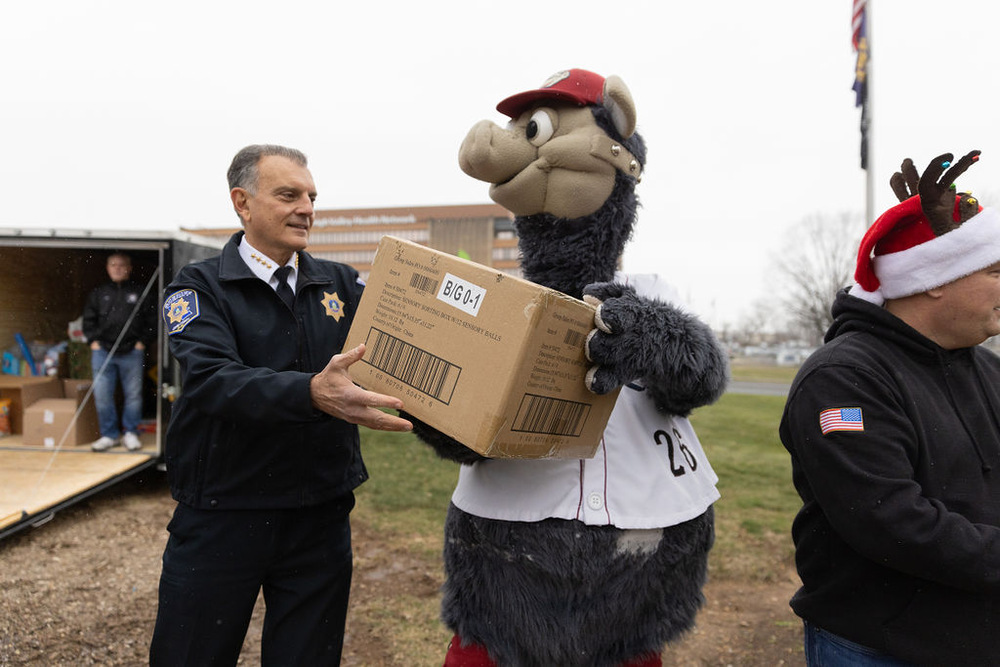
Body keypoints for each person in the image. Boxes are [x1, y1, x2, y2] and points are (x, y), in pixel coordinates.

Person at [149, 144, 412, 666]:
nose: (307, 208)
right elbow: (211, 379)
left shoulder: (342, 285)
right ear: (242, 202)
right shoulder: (198, 288)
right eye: (288, 194)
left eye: (312, 196)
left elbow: (407, 350)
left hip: (319, 518)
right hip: (223, 515)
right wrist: (311, 391)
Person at [779, 150, 1000, 666]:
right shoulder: (843, 379)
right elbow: (890, 522)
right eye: (994, 271)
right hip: (881, 645)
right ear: (936, 279)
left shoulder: (986, 370)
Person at [82, 251, 156, 452]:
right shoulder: (98, 293)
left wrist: (142, 342)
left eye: (121, 265)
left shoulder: (140, 292)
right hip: (102, 352)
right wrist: (93, 341)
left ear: (129, 268)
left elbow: (152, 321)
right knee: (103, 395)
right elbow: (88, 320)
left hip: (132, 352)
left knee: (133, 395)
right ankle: (109, 435)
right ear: (107, 268)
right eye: (113, 265)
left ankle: (131, 433)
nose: (117, 268)